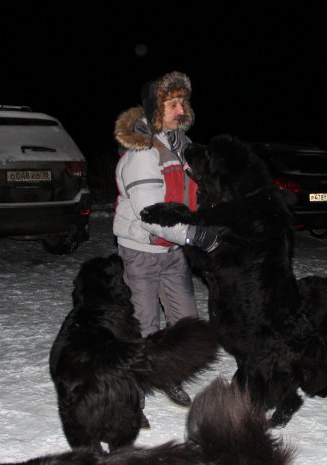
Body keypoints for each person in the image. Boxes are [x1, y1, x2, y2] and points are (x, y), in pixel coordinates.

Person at [113, 71, 219, 426]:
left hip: (173, 251)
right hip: (142, 250)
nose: (179, 109)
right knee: (144, 325)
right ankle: (132, 399)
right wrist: (195, 236)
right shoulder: (143, 152)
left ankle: (169, 376)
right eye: (171, 103)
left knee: (186, 321)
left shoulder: (182, 146)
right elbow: (149, 215)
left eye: (182, 102)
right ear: (155, 109)